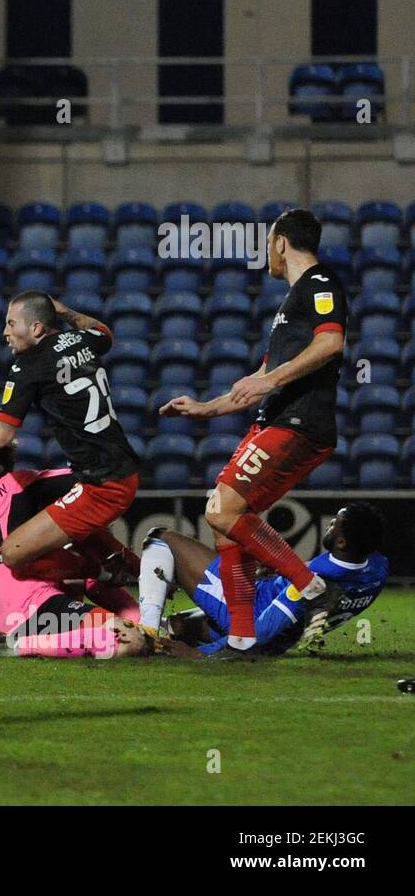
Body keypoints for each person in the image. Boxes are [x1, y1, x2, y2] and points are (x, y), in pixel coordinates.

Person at [158, 209, 348, 656]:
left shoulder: (320, 283)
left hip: (297, 420)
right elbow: (263, 373)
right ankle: (242, 638)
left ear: (281, 242)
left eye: (268, 243)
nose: (267, 253)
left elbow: (331, 343)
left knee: (221, 511)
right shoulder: (292, 304)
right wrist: (207, 408)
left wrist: (271, 381)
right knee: (228, 526)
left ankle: (312, 586)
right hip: (278, 418)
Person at [0, 428, 151, 661]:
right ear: (10, 461)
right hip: (44, 608)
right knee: (129, 638)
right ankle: (17, 647)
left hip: (10, 624)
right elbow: (92, 483)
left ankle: (11, 642)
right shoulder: (20, 483)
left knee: (84, 559)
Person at [0, 291, 141, 584]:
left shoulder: (27, 367)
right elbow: (104, 332)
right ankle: (134, 567)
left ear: (36, 328)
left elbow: (1, 436)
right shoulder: (82, 339)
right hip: (117, 469)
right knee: (45, 500)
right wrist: (65, 311)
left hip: (103, 484)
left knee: (13, 554)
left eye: (11, 323)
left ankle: (103, 572)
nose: (5, 332)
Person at [135, 503, 388, 655]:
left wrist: (199, 655)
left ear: (342, 542)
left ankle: (147, 634)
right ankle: (146, 636)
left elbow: (261, 631)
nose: (330, 525)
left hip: (247, 611)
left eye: (335, 524)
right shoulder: (378, 569)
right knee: (177, 626)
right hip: (282, 639)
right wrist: (281, 571)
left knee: (162, 537)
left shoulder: (314, 579)